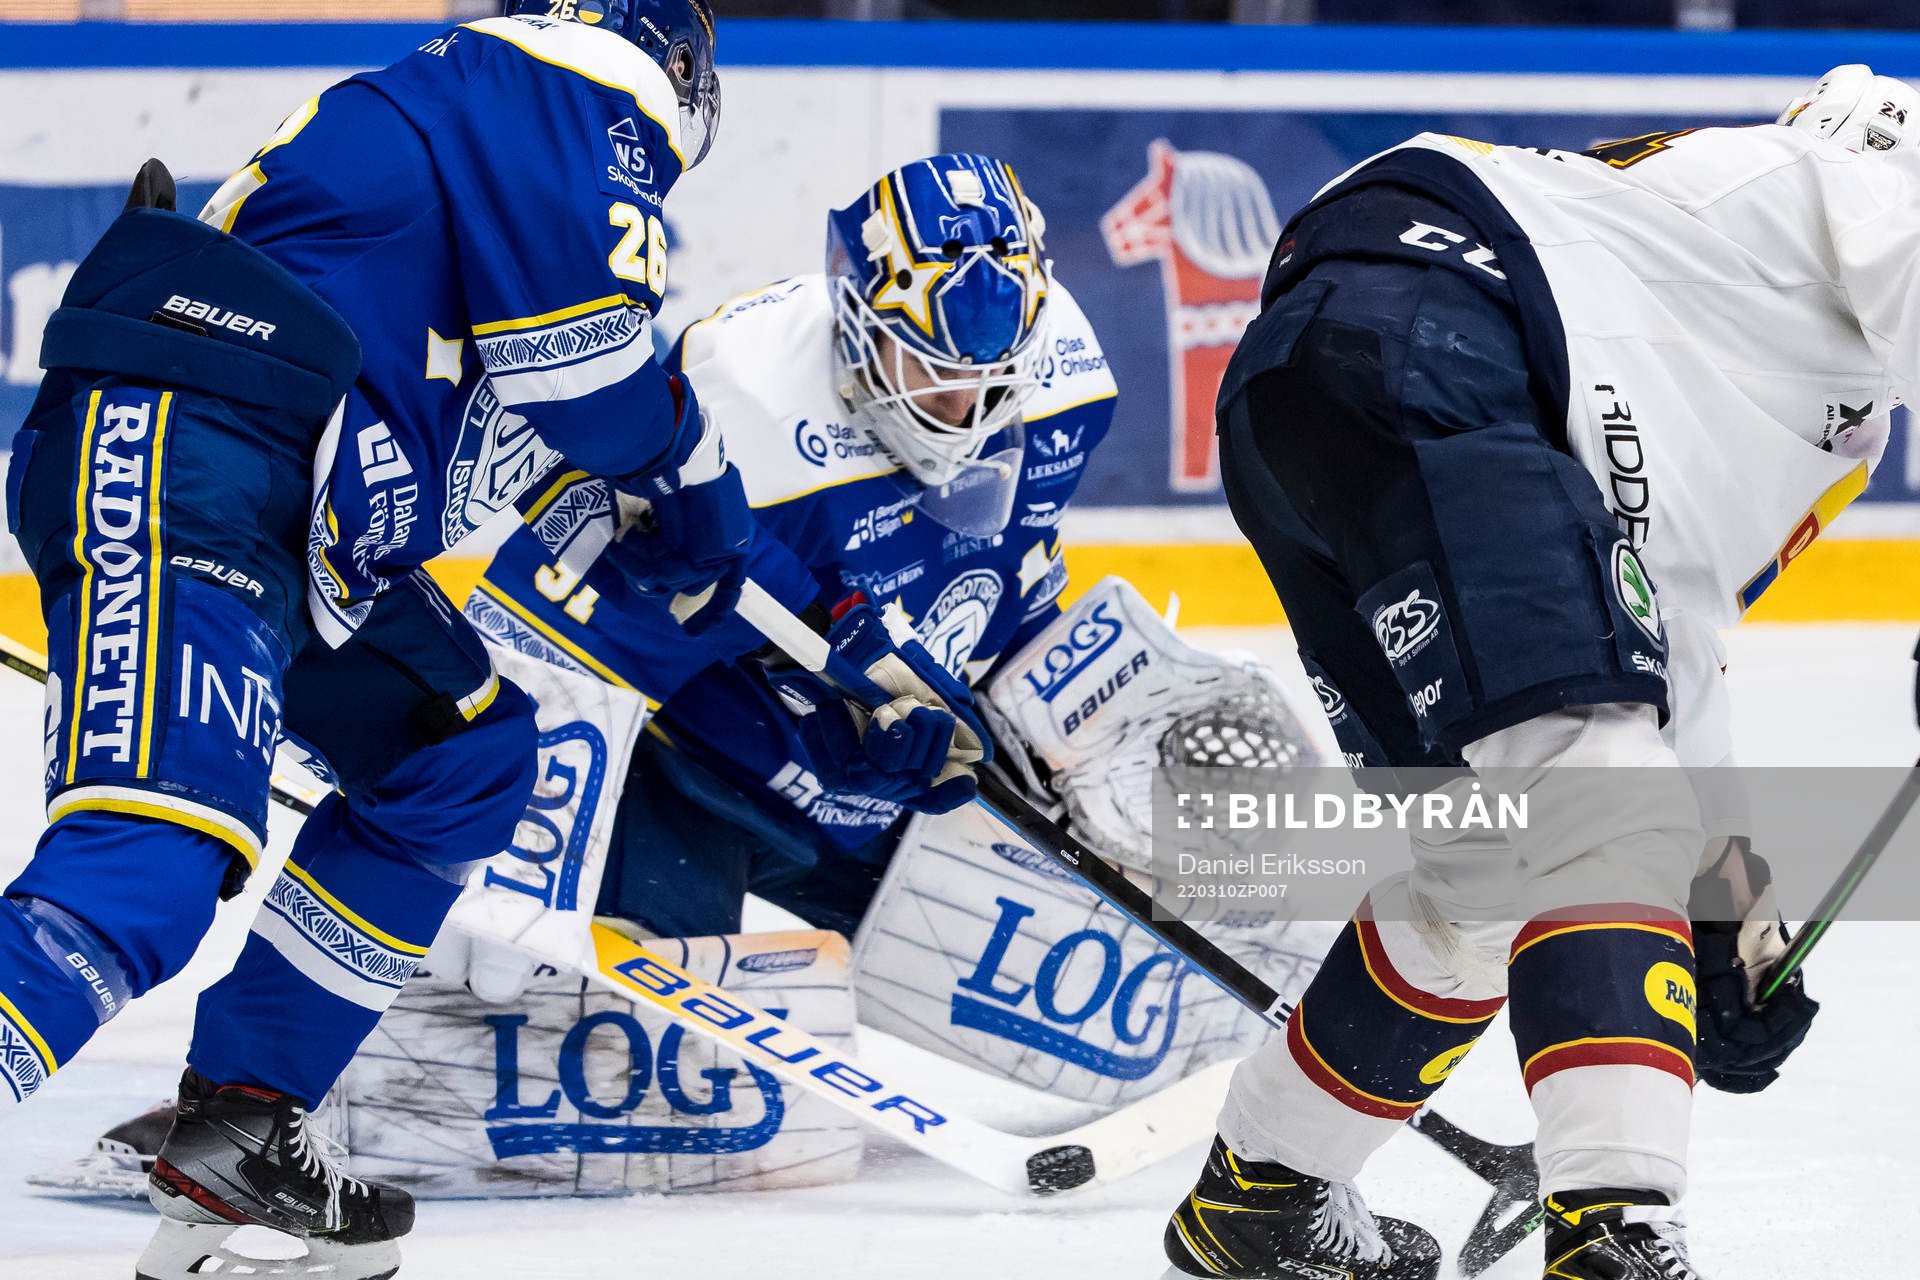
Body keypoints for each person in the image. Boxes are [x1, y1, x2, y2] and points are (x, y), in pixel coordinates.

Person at [0, 4, 974, 1277]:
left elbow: (551, 449)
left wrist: (718, 553)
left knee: (460, 760)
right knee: (153, 861)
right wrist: (689, 478)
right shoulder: (563, 81)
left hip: (292, 519)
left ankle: (243, 1115)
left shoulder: (487, 164)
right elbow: (599, 389)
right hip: (195, 461)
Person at [1162, 65, 1909, 1280]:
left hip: (1305, 391)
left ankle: (1264, 1192)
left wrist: (1724, 903)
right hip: (1445, 352)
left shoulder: (1727, 303)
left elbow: (1666, 630)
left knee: (1486, 864)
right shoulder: (1870, 170)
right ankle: (1615, 1231)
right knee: (1597, 792)